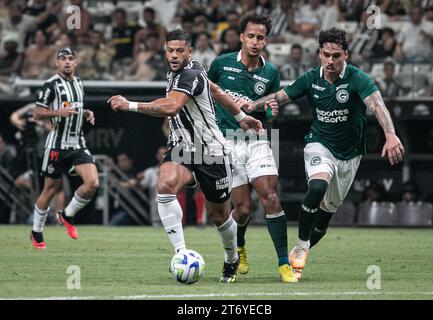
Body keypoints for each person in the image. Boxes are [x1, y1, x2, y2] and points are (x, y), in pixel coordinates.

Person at [107, 29, 263, 283]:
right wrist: (241, 117)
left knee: (219, 217)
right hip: (182, 147)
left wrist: (130, 105)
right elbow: (217, 91)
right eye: (170, 50)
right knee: (165, 183)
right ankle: (181, 253)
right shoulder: (187, 70)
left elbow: (172, 106)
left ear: (190, 52)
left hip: (211, 152)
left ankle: (232, 257)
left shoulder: (189, 74)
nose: (174, 55)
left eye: (180, 51)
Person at [250, 27, 405, 279]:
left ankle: (306, 246)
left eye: (336, 56)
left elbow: (377, 104)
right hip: (319, 143)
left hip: (350, 154)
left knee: (324, 220)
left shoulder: (358, 79)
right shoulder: (311, 79)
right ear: (319, 54)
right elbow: (279, 96)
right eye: (326, 55)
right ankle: (300, 246)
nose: (330, 61)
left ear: (347, 55)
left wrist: (390, 133)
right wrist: (250, 105)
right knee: (317, 186)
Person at [208, 13, 297, 283]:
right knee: (243, 210)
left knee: (270, 197)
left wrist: (269, 114)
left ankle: (284, 264)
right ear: (242, 37)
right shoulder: (221, 64)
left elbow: (269, 114)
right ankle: (239, 249)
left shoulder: (271, 73)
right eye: (251, 36)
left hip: (256, 142)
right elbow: (206, 97)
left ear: (266, 41)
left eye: (260, 38)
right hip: (226, 142)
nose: (255, 42)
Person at [29, 47, 99, 249]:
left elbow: (76, 106)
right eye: (63, 59)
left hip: (77, 143)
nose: (67, 62)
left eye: (70, 58)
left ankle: (67, 214)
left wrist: (85, 113)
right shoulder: (50, 85)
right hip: (57, 145)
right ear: (57, 63)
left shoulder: (79, 82)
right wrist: (58, 112)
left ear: (76, 62)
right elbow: (36, 113)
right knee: (50, 189)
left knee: (93, 183)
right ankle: (36, 231)